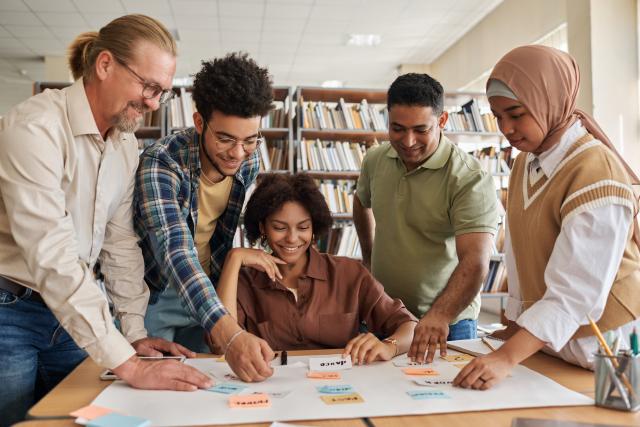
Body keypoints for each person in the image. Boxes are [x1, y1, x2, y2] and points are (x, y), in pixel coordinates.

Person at [0, 15, 212, 427]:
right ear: (104, 65)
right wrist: (129, 364)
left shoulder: (125, 144)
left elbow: (119, 245)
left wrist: (134, 333)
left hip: (69, 314)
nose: (153, 103)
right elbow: (52, 256)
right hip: (8, 311)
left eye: (161, 93)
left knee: (84, 419)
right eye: (148, 86)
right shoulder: (33, 129)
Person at [453, 45, 640, 391]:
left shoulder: (595, 169)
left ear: (549, 101)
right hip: (548, 345)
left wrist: (508, 356)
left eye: (517, 113)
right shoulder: (525, 160)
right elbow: (522, 256)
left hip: (605, 350)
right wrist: (512, 329)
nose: (506, 128)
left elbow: (577, 291)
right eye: (498, 116)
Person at [134, 53, 276, 382]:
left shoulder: (248, 161)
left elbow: (223, 236)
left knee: (206, 384)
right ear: (199, 123)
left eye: (250, 140)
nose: (238, 153)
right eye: (225, 138)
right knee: (153, 387)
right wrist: (228, 329)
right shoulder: (162, 162)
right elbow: (174, 249)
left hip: (206, 288)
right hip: (156, 292)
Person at [353, 73, 499, 364]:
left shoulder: (469, 178)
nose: (408, 141)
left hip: (448, 323)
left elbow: (475, 261)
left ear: (442, 121)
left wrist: (439, 316)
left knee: (446, 404)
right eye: (397, 129)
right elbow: (361, 202)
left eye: (421, 129)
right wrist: (368, 257)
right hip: (386, 314)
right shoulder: (375, 160)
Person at [215, 173, 417, 364]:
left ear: (314, 228)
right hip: (272, 388)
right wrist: (234, 258)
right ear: (262, 228)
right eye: (279, 227)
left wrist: (389, 346)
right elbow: (221, 346)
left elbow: (410, 327)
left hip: (340, 385)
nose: (292, 238)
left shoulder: (348, 273)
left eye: (303, 227)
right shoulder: (244, 281)